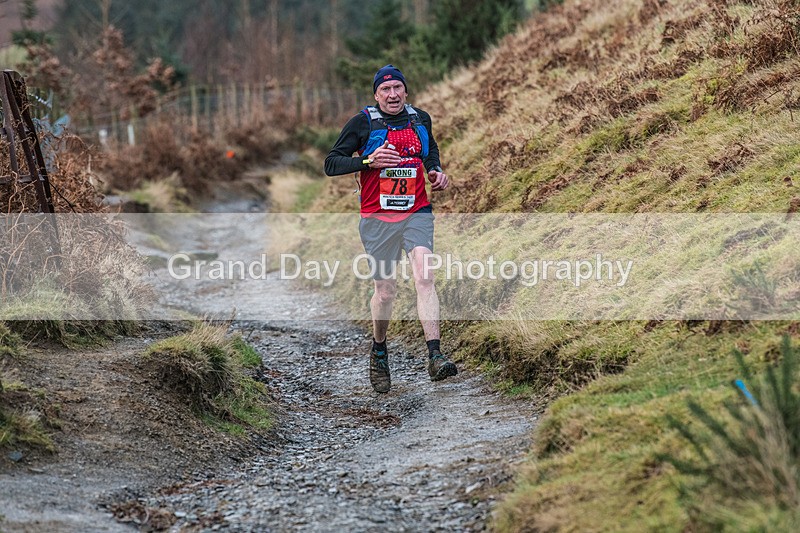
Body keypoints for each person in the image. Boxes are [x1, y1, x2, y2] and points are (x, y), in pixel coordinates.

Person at [324, 64, 457, 394]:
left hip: (417, 212)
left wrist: (435, 171)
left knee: (424, 277)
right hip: (376, 219)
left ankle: (435, 356)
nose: (393, 94)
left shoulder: (419, 119)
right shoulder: (362, 123)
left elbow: (431, 151)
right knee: (386, 292)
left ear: (406, 92)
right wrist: (368, 161)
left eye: (398, 88)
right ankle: (379, 348)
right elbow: (331, 163)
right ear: (376, 94)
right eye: (386, 89)